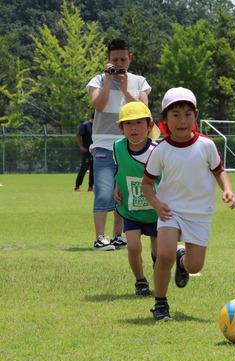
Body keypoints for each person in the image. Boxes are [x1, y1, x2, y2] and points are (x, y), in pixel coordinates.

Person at [142, 87, 235, 321]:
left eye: (188, 114)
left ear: (195, 116)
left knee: (195, 266)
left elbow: (219, 171)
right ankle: (161, 304)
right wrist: (155, 203)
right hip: (170, 211)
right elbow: (146, 184)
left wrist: (227, 190)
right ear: (165, 120)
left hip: (199, 214)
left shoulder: (206, 145)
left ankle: (182, 262)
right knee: (164, 255)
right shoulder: (161, 150)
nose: (182, 120)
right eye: (176, 115)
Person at [87, 38, 151, 250]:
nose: (120, 63)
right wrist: (108, 80)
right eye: (115, 60)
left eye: (123, 59)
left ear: (130, 58)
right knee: (104, 191)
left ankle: (117, 236)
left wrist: (125, 89)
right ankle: (99, 237)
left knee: (123, 191)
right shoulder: (97, 80)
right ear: (108, 60)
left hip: (128, 144)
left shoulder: (140, 81)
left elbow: (143, 110)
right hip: (104, 144)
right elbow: (99, 105)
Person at [113, 102, 159, 296]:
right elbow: (120, 169)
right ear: (121, 128)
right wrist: (117, 187)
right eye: (128, 123)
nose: (133, 128)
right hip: (131, 208)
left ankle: (160, 280)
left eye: (139, 122)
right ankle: (140, 281)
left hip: (156, 211)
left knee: (160, 253)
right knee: (133, 247)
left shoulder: (157, 151)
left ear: (149, 125)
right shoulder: (118, 147)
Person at [74, 113, 94, 192]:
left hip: (94, 151)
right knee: (84, 168)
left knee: (93, 169)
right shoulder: (85, 125)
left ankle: (90, 187)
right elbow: (78, 135)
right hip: (86, 151)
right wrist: (81, 146)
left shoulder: (97, 126)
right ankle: (77, 186)